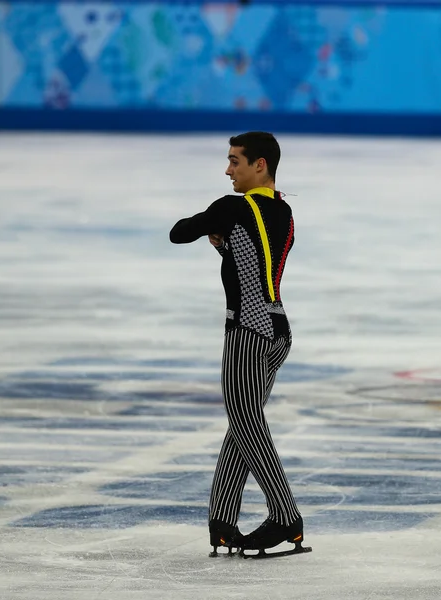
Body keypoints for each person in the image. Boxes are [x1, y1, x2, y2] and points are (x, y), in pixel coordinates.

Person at [169, 132, 309, 558]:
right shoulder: (283, 212)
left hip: (247, 331)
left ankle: (285, 516)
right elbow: (255, 261)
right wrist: (225, 245)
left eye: (235, 161)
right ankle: (223, 520)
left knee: (247, 423)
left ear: (259, 165)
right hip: (278, 330)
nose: (228, 170)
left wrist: (214, 230)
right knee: (243, 424)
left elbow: (179, 233)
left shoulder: (230, 208)